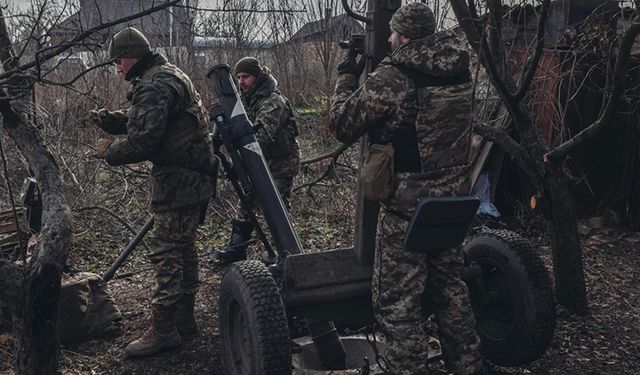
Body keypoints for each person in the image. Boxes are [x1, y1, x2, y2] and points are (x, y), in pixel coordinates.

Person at [329, 3, 485, 375]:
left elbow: (341, 122)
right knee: (450, 290)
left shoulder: (395, 75)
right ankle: (469, 366)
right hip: (452, 200)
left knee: (398, 304)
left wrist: (347, 76)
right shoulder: (461, 67)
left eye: (393, 34)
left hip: (407, 208)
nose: (388, 39)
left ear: (404, 36)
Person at [91, 27, 217, 358]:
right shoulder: (166, 73)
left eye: (118, 61)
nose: (117, 68)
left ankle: (163, 329)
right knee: (183, 247)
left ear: (132, 56)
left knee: (167, 252)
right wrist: (114, 121)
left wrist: (108, 150)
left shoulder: (152, 85)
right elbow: (155, 121)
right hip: (195, 174)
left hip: (179, 179)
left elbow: (145, 141)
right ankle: (184, 319)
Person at [214, 57, 300, 264]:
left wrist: (241, 161)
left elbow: (260, 136)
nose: (242, 81)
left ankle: (286, 255)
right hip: (259, 160)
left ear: (258, 76)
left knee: (276, 207)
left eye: (246, 76)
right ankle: (237, 248)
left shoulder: (272, 101)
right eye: (239, 77)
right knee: (247, 203)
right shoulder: (247, 99)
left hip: (281, 163)